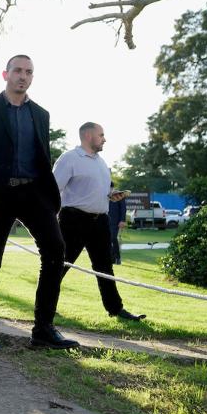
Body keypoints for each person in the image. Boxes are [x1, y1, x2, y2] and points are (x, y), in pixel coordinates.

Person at [0, 55, 80, 356]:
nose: (23, 76)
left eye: (29, 72)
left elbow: (43, 157)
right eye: (17, 70)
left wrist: (50, 198)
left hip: (34, 194)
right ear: (5, 74)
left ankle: (43, 328)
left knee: (56, 250)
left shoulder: (41, 114)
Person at [53, 123, 146, 321]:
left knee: (105, 267)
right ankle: (46, 306)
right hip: (74, 220)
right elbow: (53, 190)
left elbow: (101, 191)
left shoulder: (101, 163)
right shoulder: (69, 158)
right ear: (88, 135)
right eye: (101, 135)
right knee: (60, 264)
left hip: (101, 221)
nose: (105, 139)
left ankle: (116, 309)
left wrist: (112, 195)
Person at [108, 182, 127, 265]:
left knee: (113, 238)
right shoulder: (104, 195)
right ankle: (112, 259)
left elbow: (123, 208)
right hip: (105, 221)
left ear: (112, 187)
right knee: (107, 240)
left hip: (115, 222)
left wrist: (122, 220)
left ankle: (118, 258)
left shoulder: (118, 195)